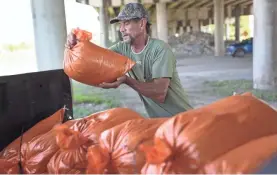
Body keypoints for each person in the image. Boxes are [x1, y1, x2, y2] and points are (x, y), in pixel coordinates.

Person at [66, 3, 193, 117]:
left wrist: (127, 81)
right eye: (120, 24)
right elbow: (97, 61)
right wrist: (76, 44)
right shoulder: (122, 48)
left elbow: (159, 93)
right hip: (157, 123)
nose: (121, 29)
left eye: (126, 23)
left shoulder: (160, 49)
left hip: (183, 119)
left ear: (142, 24)